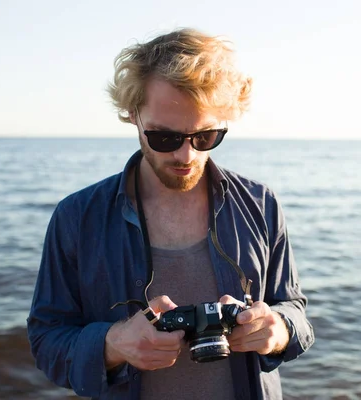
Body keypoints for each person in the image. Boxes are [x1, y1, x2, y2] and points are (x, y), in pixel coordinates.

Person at [27, 28, 314, 400]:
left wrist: (278, 330)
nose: (186, 156)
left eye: (205, 137)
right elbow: (46, 340)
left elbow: (295, 311)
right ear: (133, 116)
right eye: (165, 138)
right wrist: (114, 344)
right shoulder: (77, 218)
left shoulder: (261, 205)